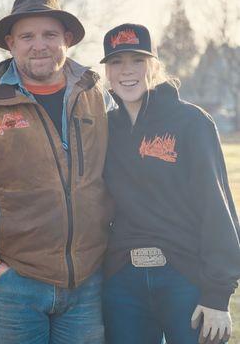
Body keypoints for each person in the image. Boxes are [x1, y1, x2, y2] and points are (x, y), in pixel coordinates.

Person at [0, 0, 114, 344]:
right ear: (10, 44)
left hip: (88, 283)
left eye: (50, 35)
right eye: (27, 36)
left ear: (66, 39)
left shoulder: (97, 95)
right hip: (15, 284)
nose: (40, 45)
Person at [101, 23, 240, 344]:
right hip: (122, 281)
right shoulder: (104, 128)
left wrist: (218, 296)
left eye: (137, 60)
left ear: (154, 66)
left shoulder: (191, 122)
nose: (126, 71)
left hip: (184, 276)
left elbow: (217, 207)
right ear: (107, 72)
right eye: (116, 62)